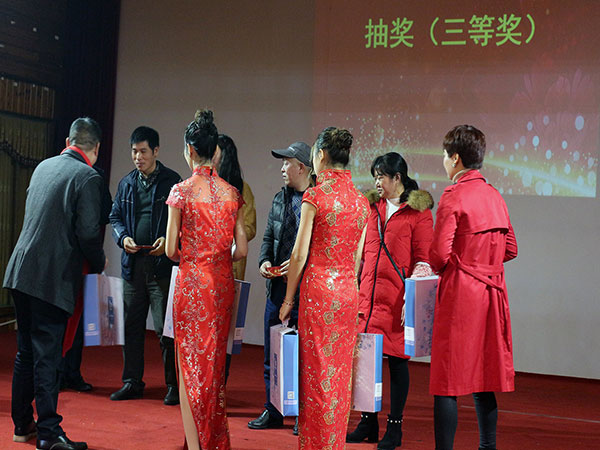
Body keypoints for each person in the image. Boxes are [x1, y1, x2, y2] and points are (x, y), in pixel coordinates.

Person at [3, 117, 106, 450]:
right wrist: (100, 263)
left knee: (26, 352)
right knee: (47, 356)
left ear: (68, 141)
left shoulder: (43, 167)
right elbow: (88, 233)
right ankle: (48, 432)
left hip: (21, 270)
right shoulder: (88, 176)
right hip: (51, 277)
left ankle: (23, 425)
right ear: (96, 148)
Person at [279, 127, 370, 450]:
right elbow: (357, 259)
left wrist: (288, 299)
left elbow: (298, 254)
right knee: (339, 377)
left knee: (316, 375)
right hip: (347, 293)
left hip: (318, 293)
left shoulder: (315, 196)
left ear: (320, 155)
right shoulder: (361, 201)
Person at [429, 125, 518, 450]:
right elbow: (511, 248)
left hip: (461, 296)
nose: (443, 161)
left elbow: (438, 256)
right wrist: (484, 262)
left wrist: (464, 263)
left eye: (444, 155)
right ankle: (487, 446)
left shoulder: (454, 195)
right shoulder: (495, 195)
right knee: (485, 375)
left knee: (446, 380)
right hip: (492, 295)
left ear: (455, 158)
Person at [165, 109, 248, 450]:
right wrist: (218, 256)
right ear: (215, 152)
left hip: (192, 284)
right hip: (222, 284)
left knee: (189, 366)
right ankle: (210, 438)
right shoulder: (232, 193)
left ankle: (197, 445)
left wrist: (194, 256)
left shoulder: (181, 192)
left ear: (189, 149)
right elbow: (241, 250)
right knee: (213, 365)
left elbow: (170, 249)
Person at [347, 152, 434, 450]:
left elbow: (423, 259)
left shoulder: (418, 213)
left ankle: (394, 427)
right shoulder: (371, 207)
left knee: (397, 363)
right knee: (366, 361)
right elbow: (360, 252)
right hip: (368, 298)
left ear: (397, 178)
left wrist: (413, 297)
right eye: (374, 176)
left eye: (381, 176)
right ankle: (367, 422)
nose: (376, 182)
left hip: (398, 301)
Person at [109, 126, 181, 405]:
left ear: (156, 151)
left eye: (143, 151)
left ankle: (173, 385)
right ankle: (132, 382)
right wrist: (122, 238)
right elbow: (115, 217)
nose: (138, 157)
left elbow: (185, 220)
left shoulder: (172, 181)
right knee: (131, 326)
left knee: (166, 331)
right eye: (134, 152)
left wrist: (170, 240)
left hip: (161, 266)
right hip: (133, 265)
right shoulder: (126, 183)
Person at [247, 141, 313, 435]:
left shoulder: (316, 200)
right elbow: (267, 238)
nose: (282, 168)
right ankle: (273, 409)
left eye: (287, 163)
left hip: (305, 292)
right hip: (276, 289)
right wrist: (264, 261)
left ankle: (301, 413)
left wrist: (299, 268)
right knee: (272, 352)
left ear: (302, 167)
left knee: (302, 356)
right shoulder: (279, 199)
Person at [60, 165, 112, 393]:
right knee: (62, 321)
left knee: (79, 321)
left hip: (83, 260)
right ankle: (57, 374)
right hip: (65, 259)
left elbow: (106, 212)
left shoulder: (95, 175)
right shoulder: (65, 173)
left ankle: (71, 372)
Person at [216, 134, 257, 280]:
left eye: (214, 152)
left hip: (232, 257)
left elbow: (250, 227)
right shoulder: (203, 186)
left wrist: (226, 236)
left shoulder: (242, 189)